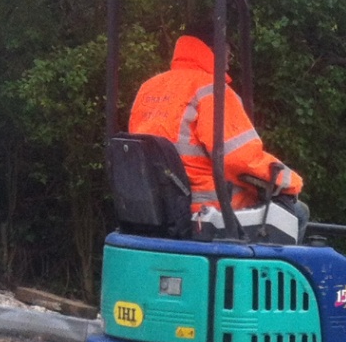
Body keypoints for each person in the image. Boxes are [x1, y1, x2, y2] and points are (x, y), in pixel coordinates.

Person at [129, 33, 306, 241]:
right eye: (228, 56)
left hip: (155, 209)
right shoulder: (213, 91)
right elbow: (238, 159)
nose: (228, 66)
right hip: (204, 211)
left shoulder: (149, 88)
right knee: (298, 213)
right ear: (214, 51)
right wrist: (289, 182)